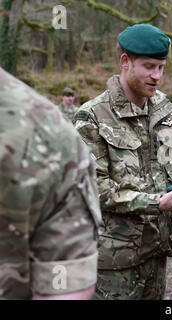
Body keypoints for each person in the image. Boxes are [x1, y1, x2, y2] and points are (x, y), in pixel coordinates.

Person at [73, 24, 172, 300]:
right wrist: (158, 203)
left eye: (162, 67)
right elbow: (96, 190)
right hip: (114, 263)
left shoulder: (164, 109)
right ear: (125, 62)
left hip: (157, 253)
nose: (157, 76)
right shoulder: (92, 117)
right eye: (149, 67)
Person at [0, 67, 101, 300]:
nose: (68, 99)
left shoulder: (66, 118)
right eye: (66, 96)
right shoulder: (49, 115)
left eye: (70, 96)